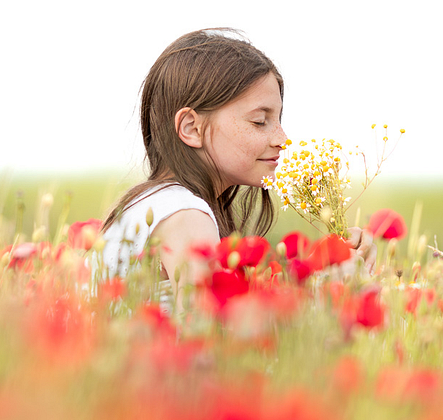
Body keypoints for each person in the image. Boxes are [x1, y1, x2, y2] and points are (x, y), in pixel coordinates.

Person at [100, 29, 374, 296]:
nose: (283, 139)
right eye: (259, 121)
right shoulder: (185, 215)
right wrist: (330, 292)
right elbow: (209, 334)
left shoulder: (158, 203)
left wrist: (315, 271)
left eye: (278, 119)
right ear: (191, 128)